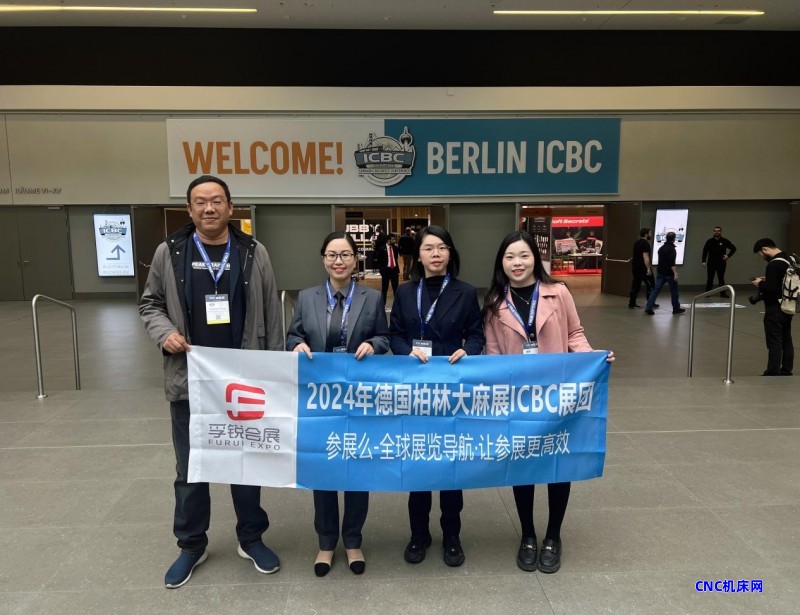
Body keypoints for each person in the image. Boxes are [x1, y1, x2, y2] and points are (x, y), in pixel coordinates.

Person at [139, 175, 283, 588]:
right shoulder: (170, 251)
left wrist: (274, 373)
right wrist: (165, 333)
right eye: (200, 202)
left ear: (230, 207)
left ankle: (251, 538)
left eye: (216, 200)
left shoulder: (253, 251)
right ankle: (191, 545)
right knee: (191, 465)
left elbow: (272, 313)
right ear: (189, 209)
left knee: (246, 462)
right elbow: (150, 303)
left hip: (243, 381)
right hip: (191, 379)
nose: (209, 208)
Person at [482, 231, 614, 573]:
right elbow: (493, 354)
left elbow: (574, 334)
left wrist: (591, 357)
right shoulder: (495, 303)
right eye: (510, 257)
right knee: (522, 465)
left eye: (524, 255)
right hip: (519, 399)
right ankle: (527, 534)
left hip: (558, 396)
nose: (517, 263)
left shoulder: (558, 292)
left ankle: (553, 536)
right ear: (501, 262)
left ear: (535, 259)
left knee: (558, 464)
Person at [286, 231, 390, 576]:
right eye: (332, 255)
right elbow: (294, 334)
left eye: (345, 254)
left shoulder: (372, 298)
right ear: (323, 260)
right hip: (321, 399)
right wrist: (297, 345)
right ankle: (327, 542)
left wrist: (374, 345)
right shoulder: (307, 297)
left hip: (359, 398)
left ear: (355, 259)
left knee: (358, 468)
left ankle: (354, 540)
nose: (338, 261)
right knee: (324, 467)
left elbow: (384, 336)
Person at [389, 225, 485, 567]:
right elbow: (395, 334)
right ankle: (418, 534)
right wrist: (406, 352)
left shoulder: (465, 291)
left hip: (451, 390)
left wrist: (468, 350)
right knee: (418, 463)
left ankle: (452, 535)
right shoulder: (405, 292)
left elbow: (476, 334)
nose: (436, 254)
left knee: (450, 466)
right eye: (429, 248)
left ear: (450, 253)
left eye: (442, 247)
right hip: (416, 390)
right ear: (418, 255)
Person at [752, 238, 794, 376]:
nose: (762, 257)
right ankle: (786, 369)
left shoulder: (773, 264)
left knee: (774, 341)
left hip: (774, 307)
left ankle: (772, 371)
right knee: (786, 339)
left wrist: (759, 283)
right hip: (787, 305)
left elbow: (770, 289)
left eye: (761, 254)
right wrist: (768, 279)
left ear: (765, 249)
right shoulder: (788, 259)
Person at [644, 232, 686, 315]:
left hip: (660, 272)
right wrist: (675, 273)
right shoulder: (672, 249)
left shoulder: (661, 248)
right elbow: (672, 263)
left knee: (655, 290)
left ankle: (648, 307)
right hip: (669, 274)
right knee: (674, 291)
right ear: (674, 239)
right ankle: (676, 308)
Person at [702, 226, 737, 297]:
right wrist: (703, 261)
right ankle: (707, 293)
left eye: (718, 231)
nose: (716, 232)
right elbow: (705, 251)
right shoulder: (709, 241)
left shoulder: (724, 241)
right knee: (710, 278)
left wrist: (728, 256)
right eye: (715, 231)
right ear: (713, 232)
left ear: (720, 232)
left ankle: (723, 293)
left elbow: (734, 248)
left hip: (721, 263)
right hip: (711, 262)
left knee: (721, 278)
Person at [629, 228, 657, 309]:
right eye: (650, 233)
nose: (651, 235)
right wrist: (648, 268)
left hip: (636, 268)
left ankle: (632, 303)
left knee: (636, 285)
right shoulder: (645, 244)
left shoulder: (637, 243)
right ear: (646, 234)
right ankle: (650, 302)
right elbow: (646, 257)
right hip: (643, 269)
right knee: (651, 285)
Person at [378, 233, 400, 305]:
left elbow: (396, 258)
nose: (394, 241)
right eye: (393, 239)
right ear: (388, 240)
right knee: (384, 289)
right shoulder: (382, 249)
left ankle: (397, 304)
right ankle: (383, 305)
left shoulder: (395, 248)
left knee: (396, 288)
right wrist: (381, 271)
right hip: (386, 271)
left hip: (394, 270)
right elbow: (379, 261)